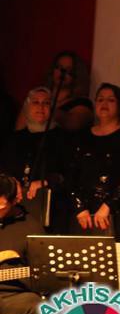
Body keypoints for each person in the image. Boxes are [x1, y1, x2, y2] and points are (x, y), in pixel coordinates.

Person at [66, 83, 120, 244]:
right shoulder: (82, 136)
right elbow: (72, 175)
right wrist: (80, 207)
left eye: (111, 100)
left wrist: (109, 205)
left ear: (119, 105)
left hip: (119, 211)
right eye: (100, 99)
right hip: (85, 212)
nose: (104, 104)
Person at [0, 87, 67, 231]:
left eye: (46, 103)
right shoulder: (14, 139)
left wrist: (45, 181)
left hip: (51, 210)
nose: (41, 107)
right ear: (27, 107)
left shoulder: (63, 139)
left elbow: (69, 174)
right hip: (16, 210)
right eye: (35, 102)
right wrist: (11, 182)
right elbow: (4, 169)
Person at [15, 51, 93, 133]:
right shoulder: (35, 96)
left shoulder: (83, 103)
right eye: (58, 67)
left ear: (77, 74)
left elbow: (74, 123)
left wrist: (47, 110)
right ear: (52, 70)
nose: (62, 72)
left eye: (69, 70)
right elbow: (18, 130)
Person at [0, 174, 43, 314]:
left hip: (11, 297)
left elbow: (41, 275)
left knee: (37, 307)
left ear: (14, 201)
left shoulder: (31, 228)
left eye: (1, 207)